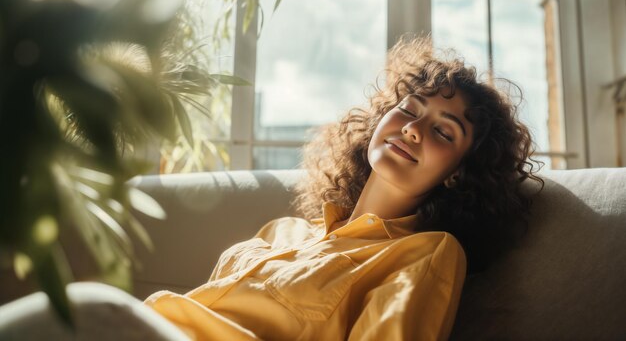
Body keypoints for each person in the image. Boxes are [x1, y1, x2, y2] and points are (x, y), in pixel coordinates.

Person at [144, 36, 543, 340]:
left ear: (459, 172)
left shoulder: (427, 252)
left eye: (442, 130)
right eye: (408, 109)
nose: (411, 129)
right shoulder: (281, 231)